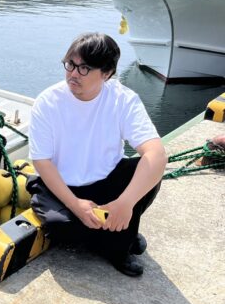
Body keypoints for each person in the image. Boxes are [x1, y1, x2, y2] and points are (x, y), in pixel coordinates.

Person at [27, 33, 167, 276]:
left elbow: (156, 153)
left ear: (107, 73)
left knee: (149, 172)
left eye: (84, 68)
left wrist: (126, 203)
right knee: (62, 228)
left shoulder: (122, 100)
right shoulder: (48, 102)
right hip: (61, 186)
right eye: (70, 64)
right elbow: (42, 161)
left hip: (106, 179)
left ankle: (119, 241)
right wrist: (76, 204)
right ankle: (120, 234)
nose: (73, 73)